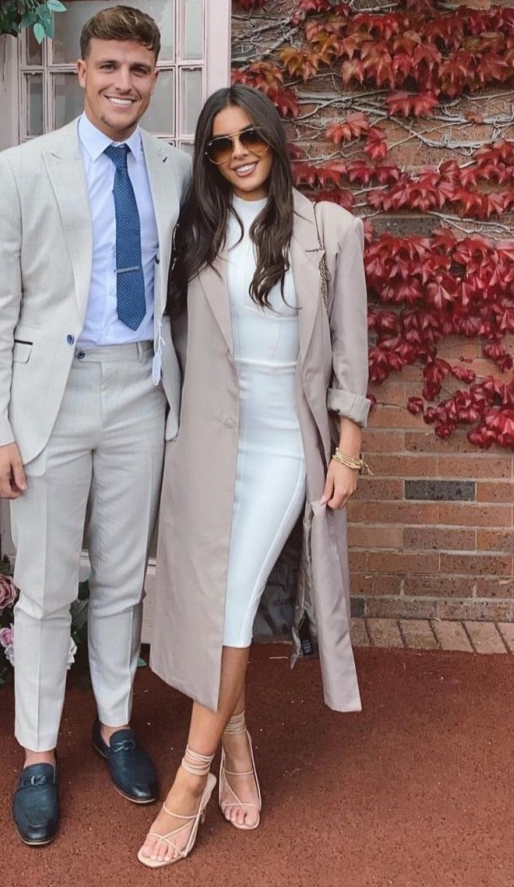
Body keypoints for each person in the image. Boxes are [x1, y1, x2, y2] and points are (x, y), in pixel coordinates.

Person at [0, 5, 191, 847]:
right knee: (48, 586)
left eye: (137, 70)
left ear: (153, 77)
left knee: (126, 578)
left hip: (141, 387)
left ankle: (114, 726)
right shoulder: (24, 168)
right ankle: (36, 753)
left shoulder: (174, 167)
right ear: (80, 72)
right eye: (108, 68)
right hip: (48, 403)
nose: (122, 83)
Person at [137, 85, 370, 868]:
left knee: (233, 597)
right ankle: (234, 739)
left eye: (250, 139)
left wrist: (346, 449)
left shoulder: (329, 229)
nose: (237, 154)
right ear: (208, 156)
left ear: (272, 140)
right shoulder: (193, 231)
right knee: (207, 598)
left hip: (282, 450)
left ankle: (190, 779)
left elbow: (350, 353)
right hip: (206, 445)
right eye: (220, 144)